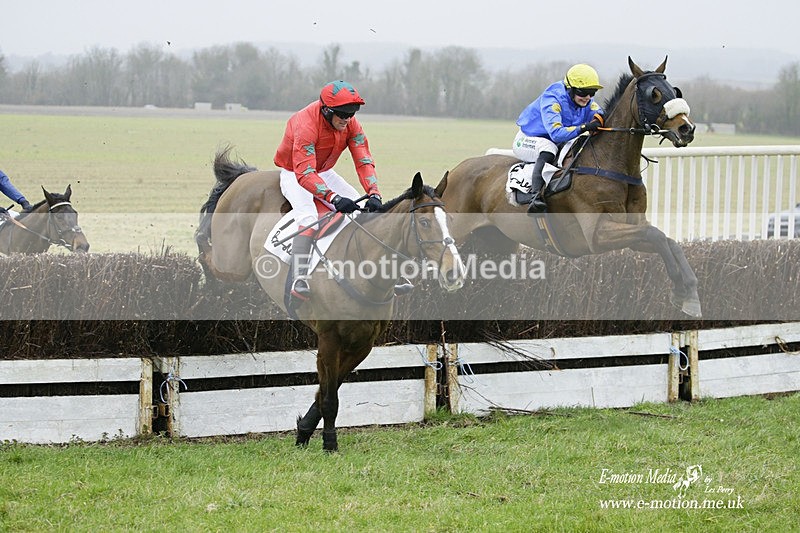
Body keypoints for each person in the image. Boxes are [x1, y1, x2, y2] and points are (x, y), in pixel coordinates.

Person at [273, 80, 383, 301]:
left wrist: (374, 192)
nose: (347, 119)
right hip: (294, 173)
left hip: (324, 172)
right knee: (308, 216)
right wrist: (333, 197)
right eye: (342, 114)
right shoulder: (306, 125)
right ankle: (300, 278)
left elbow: (363, 160)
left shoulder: (351, 124)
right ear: (326, 110)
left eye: (352, 113)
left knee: (369, 213)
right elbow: (304, 174)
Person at [513, 64, 605, 214]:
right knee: (548, 149)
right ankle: (535, 197)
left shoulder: (584, 100)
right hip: (528, 139)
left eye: (592, 92)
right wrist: (585, 127)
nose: (588, 97)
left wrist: (599, 119)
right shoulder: (553, 99)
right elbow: (556, 133)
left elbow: (599, 113)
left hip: (555, 140)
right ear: (571, 89)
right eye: (584, 92)